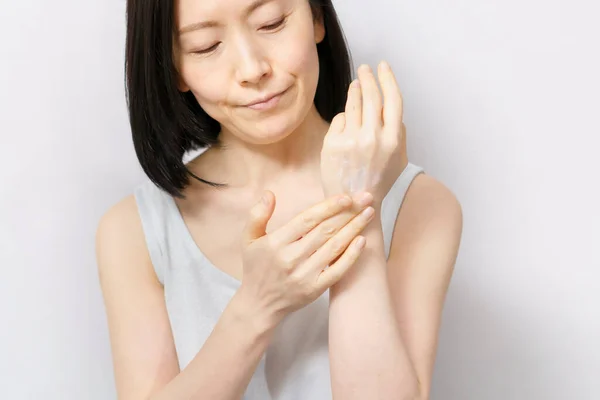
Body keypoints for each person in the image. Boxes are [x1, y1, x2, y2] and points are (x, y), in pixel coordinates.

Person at [95, 0, 463, 399]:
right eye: (205, 46)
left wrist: (358, 208)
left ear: (316, 17)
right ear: (175, 67)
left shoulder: (421, 204)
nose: (253, 69)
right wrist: (256, 307)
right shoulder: (135, 229)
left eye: (271, 23)